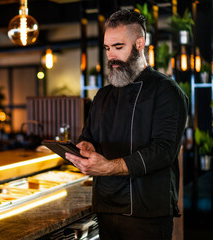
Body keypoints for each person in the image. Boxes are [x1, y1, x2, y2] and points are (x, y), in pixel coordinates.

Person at [65, 9, 188, 240]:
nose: (111, 55)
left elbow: (163, 151)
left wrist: (109, 167)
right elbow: (88, 135)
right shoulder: (102, 95)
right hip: (106, 207)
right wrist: (85, 147)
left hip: (147, 212)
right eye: (107, 48)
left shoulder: (167, 91)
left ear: (139, 44)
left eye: (118, 47)